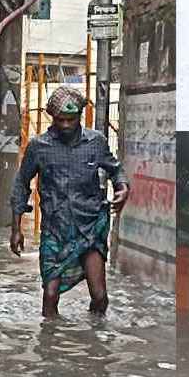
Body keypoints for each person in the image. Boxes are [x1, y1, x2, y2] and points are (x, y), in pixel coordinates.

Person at [10, 87, 129, 318]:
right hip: (55, 231)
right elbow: (21, 184)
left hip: (90, 227)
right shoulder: (38, 147)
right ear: (52, 118)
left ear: (80, 117)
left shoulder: (96, 142)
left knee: (100, 295)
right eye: (60, 120)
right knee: (51, 295)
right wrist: (16, 229)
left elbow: (116, 170)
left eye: (71, 120)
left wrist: (123, 188)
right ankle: (51, 346)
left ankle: (93, 340)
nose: (65, 125)